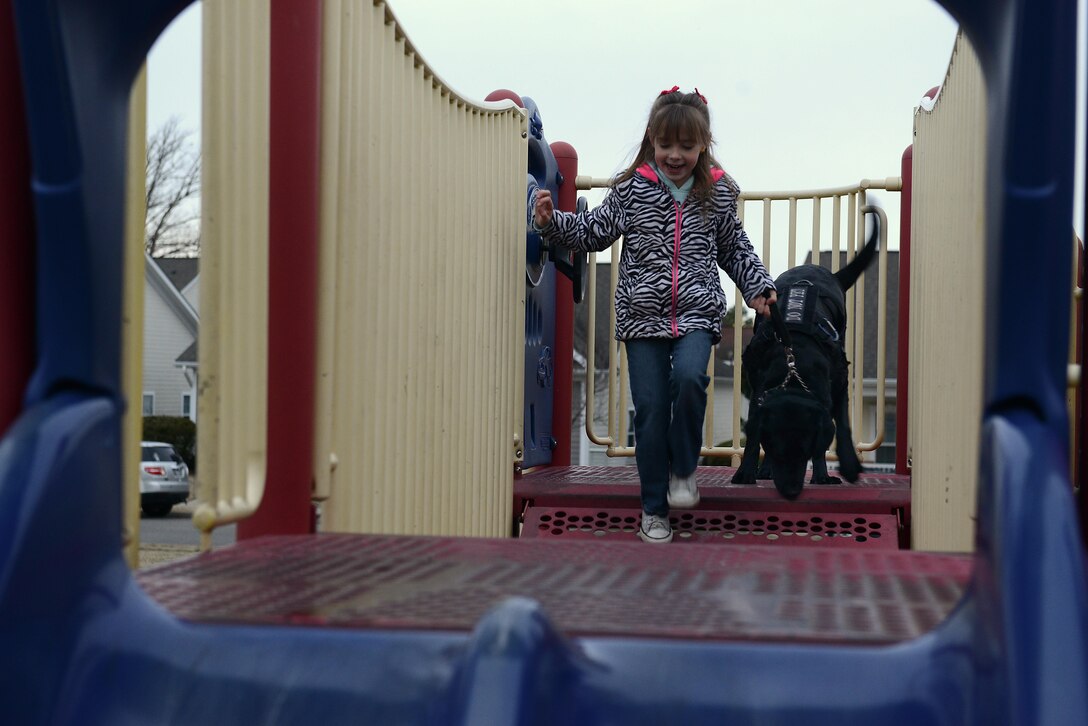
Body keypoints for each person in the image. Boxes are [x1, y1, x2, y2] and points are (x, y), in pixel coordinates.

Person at [531, 87, 777, 544]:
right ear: (652, 139)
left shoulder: (717, 193)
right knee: (648, 409)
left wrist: (758, 285)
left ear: (704, 144)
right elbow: (593, 230)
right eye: (666, 145)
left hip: (698, 311)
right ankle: (653, 510)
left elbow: (735, 247)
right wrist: (551, 223)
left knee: (688, 380)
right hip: (642, 316)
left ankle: (683, 468)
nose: (675, 155)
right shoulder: (632, 188)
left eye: (686, 146)